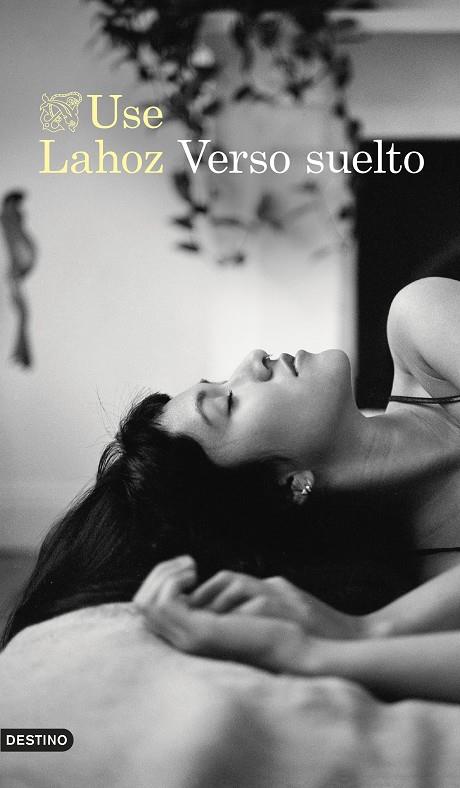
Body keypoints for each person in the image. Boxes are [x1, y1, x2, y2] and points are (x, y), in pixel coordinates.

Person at [4, 277, 460, 702]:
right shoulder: (435, 588)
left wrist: (373, 630)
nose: (253, 359)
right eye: (228, 402)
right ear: (283, 486)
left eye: (220, 382)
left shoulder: (421, 320)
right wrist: (344, 640)